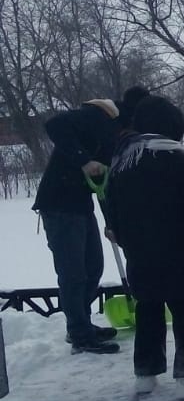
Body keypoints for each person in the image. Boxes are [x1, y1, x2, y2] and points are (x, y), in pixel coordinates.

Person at [105, 96, 184, 401]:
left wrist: (129, 241)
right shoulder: (177, 161)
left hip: (141, 256)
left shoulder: (121, 163)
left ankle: (145, 372)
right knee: (183, 312)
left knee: (147, 310)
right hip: (180, 253)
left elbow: (112, 211)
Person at [33, 97, 122, 354]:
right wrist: (83, 160)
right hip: (58, 206)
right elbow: (54, 125)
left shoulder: (106, 136)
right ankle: (79, 333)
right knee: (73, 273)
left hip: (81, 207)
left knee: (93, 267)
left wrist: (111, 223)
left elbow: (103, 185)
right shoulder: (90, 117)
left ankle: (81, 324)